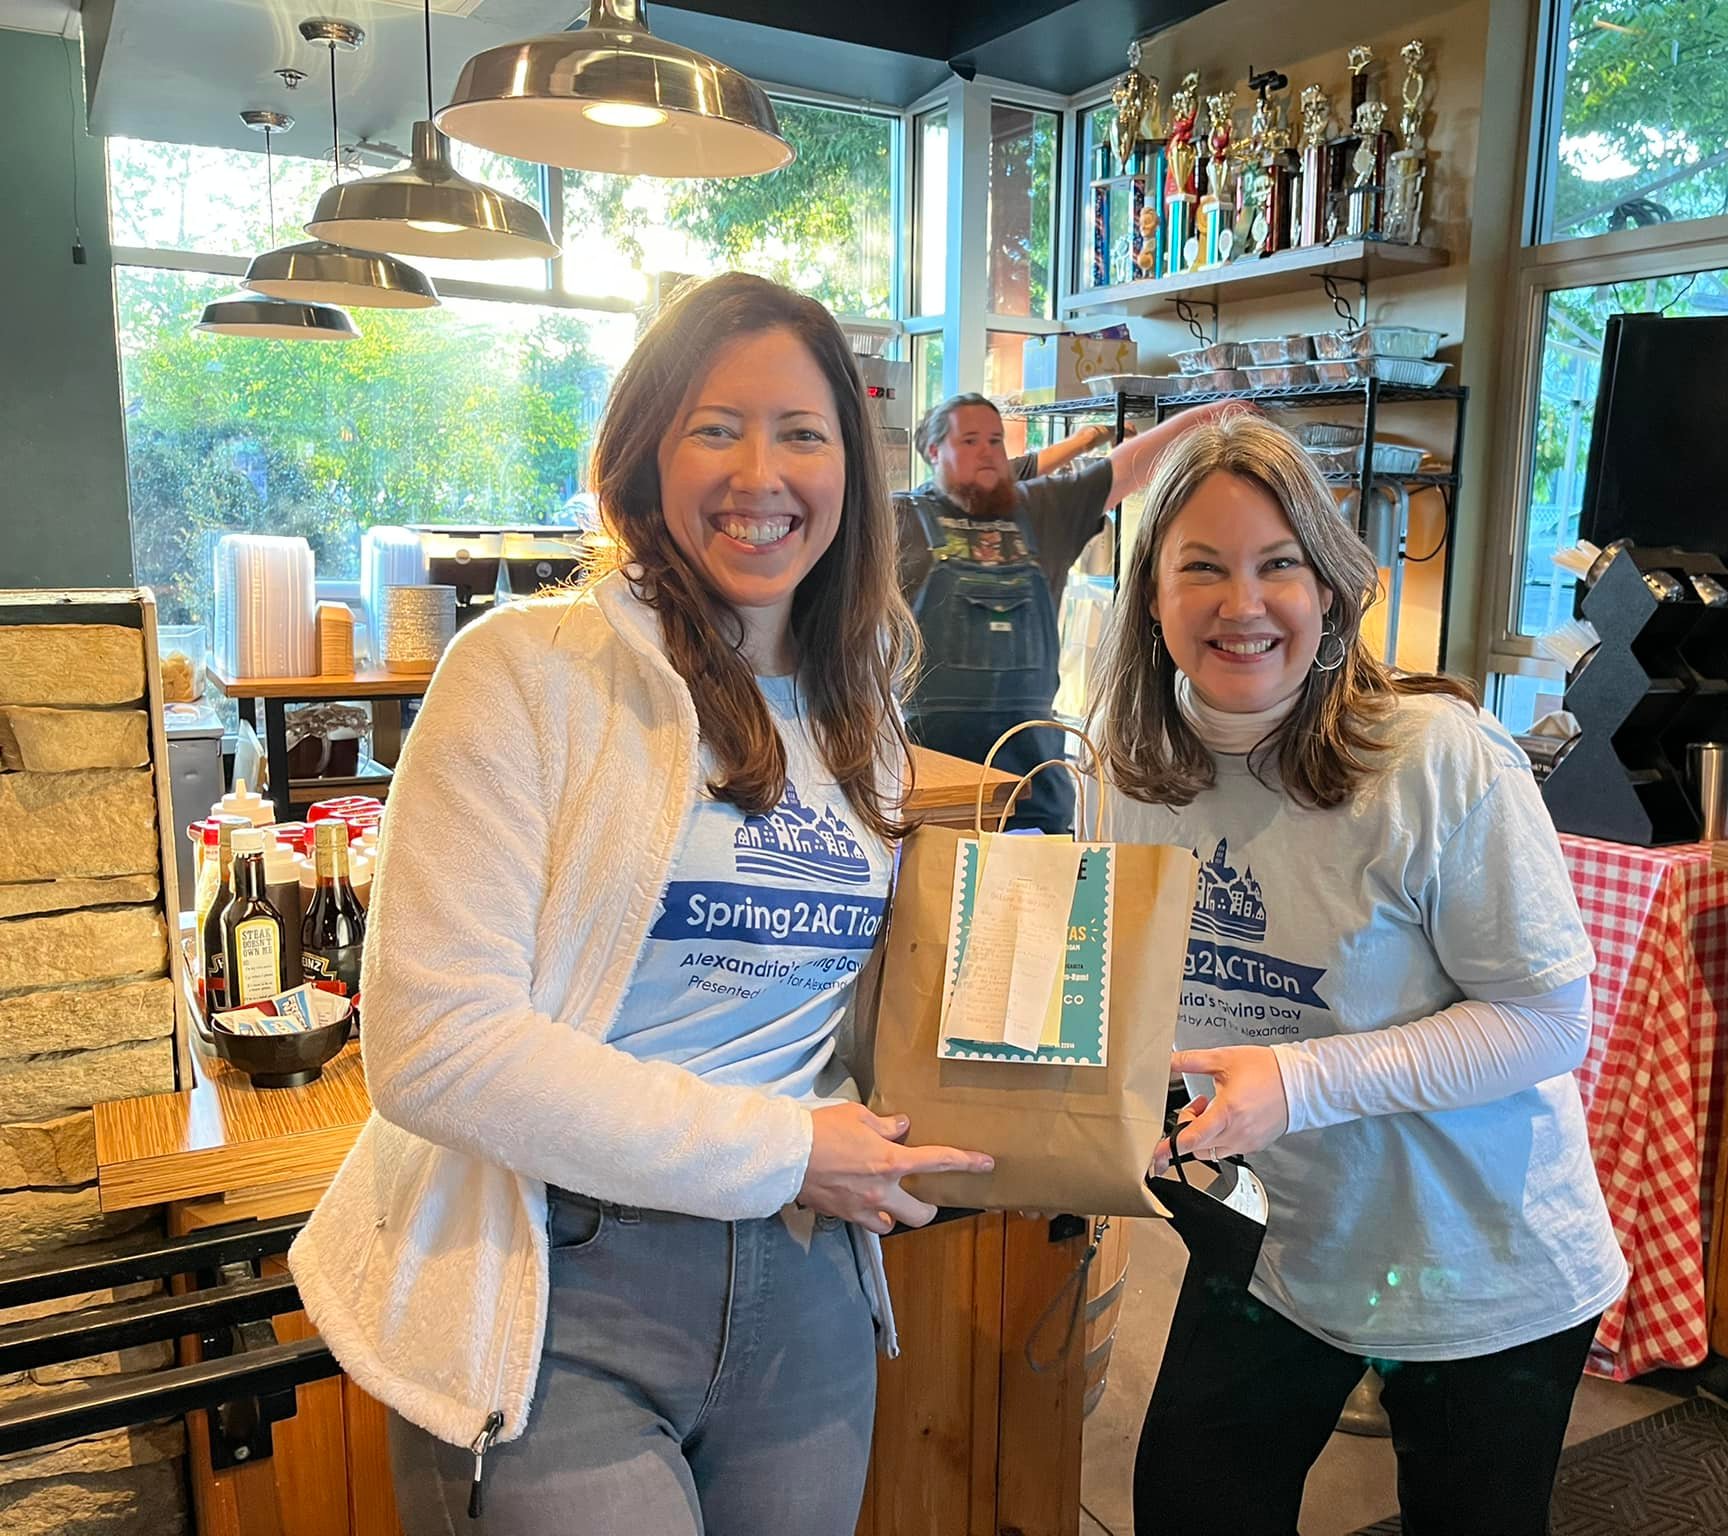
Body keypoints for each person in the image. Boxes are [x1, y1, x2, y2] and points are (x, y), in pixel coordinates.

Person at [289, 273, 993, 1536]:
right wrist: (786, 1149)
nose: (759, 473)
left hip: (806, 1283)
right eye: (714, 427)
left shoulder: (864, 714)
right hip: (562, 1283)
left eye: (801, 432)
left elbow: (843, 1019)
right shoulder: (524, 673)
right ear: (646, 453)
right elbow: (434, 1046)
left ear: (852, 468)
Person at [1092, 414, 1626, 1536]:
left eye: (1278, 564)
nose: (1242, 604)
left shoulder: (1432, 756)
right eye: (1202, 567)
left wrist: (1296, 1082)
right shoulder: (1130, 771)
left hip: (1479, 1259)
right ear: (1149, 596)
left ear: (1333, 588)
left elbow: (1544, 1021)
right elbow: (1141, 992)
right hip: (1274, 1241)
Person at [896, 392, 1235, 832]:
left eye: (996, 441)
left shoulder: (1041, 510)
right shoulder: (900, 518)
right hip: (936, 786)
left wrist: (1209, 415)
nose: (987, 451)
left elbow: (1121, 469)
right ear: (932, 451)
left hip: (1034, 781)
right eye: (970, 440)